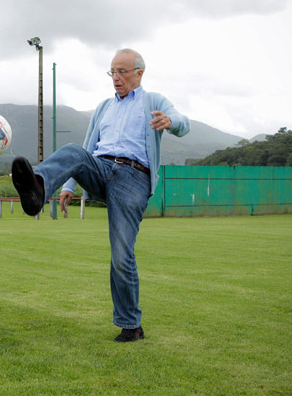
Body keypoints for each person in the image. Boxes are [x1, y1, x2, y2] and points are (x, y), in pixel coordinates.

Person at [12, 48, 190, 342]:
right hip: (101, 167)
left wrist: (171, 121)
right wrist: (68, 186)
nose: (116, 78)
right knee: (73, 150)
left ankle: (131, 324)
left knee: (121, 255)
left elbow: (184, 122)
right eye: (112, 72)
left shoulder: (153, 101)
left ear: (139, 73)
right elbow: (87, 146)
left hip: (134, 177)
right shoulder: (104, 107)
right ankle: (37, 191)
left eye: (122, 72)